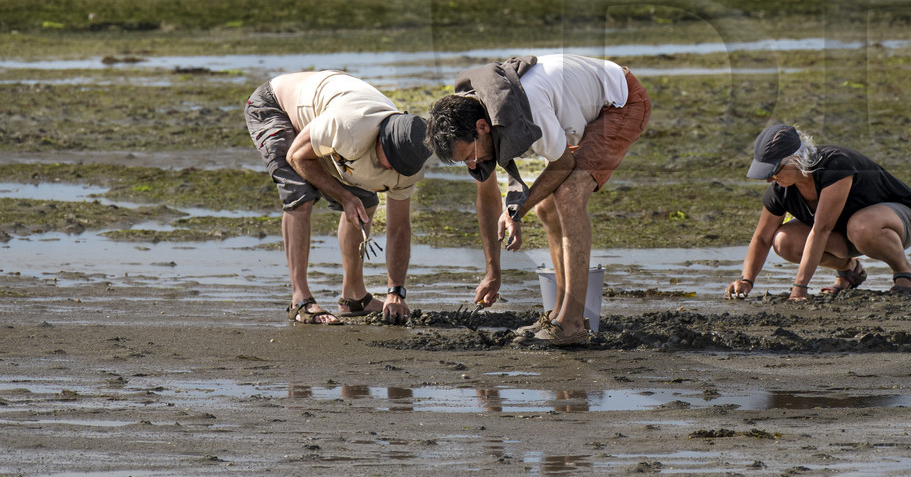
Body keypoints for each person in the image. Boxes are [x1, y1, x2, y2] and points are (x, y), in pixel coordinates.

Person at [427, 53, 651, 346]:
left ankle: (571, 324)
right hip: (583, 107)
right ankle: (558, 313)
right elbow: (488, 196)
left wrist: (517, 211)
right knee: (547, 208)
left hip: (621, 102)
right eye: (464, 163)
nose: (473, 164)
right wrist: (493, 271)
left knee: (568, 195)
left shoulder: (525, 108)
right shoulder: (475, 111)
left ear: (483, 127)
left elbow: (563, 165)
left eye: (470, 156)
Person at [244, 71, 429, 325]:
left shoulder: (410, 163)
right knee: (300, 196)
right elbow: (296, 156)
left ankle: (353, 295)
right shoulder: (349, 127)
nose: (393, 172)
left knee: (366, 202)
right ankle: (300, 300)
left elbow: (399, 227)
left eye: (402, 169)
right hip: (276, 105)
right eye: (392, 163)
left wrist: (395, 291)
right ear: (381, 141)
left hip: (323, 127)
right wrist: (344, 196)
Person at [728, 123, 911, 300]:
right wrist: (747, 280)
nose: (769, 180)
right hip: (846, 233)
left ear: (796, 159)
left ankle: (904, 271)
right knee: (783, 241)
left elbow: (821, 229)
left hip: (900, 221)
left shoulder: (835, 166)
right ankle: (848, 270)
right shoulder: (781, 189)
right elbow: (762, 238)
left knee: (861, 225)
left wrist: (799, 288)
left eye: (774, 171)